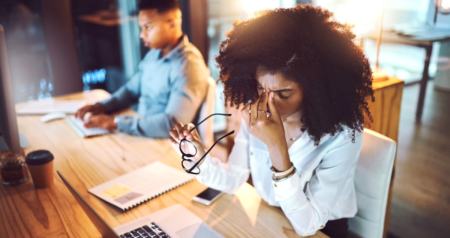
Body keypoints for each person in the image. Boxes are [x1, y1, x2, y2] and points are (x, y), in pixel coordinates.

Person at [169, 5, 374, 238]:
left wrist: (277, 147)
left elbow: (307, 225)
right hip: (269, 214)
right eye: (260, 87)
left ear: (315, 89)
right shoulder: (255, 113)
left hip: (322, 229)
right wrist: (198, 156)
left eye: (283, 94)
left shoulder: (342, 136)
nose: (267, 103)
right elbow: (234, 179)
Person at [75, 0, 209, 138]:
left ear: (171, 24)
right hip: (141, 133)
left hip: (166, 144)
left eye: (148, 27)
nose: (142, 34)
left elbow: (174, 124)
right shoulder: (154, 54)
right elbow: (130, 91)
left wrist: (117, 123)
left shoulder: (189, 66)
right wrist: (101, 107)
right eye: (141, 28)